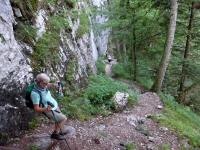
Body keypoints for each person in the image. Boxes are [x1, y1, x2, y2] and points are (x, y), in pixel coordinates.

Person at [31, 73, 67, 140]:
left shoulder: (42, 86)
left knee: (59, 120)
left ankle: (59, 130)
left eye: (47, 83)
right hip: (48, 110)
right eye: (45, 83)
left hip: (53, 105)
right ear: (40, 82)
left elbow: (48, 85)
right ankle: (55, 134)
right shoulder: (35, 94)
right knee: (63, 118)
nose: (47, 85)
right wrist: (45, 109)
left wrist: (54, 85)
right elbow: (36, 108)